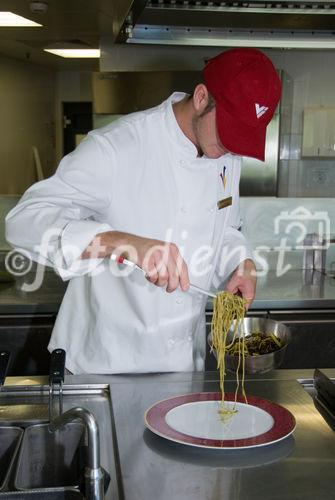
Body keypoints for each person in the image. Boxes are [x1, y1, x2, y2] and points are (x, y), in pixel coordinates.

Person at [6, 48, 281, 374]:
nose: (232, 147)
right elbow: (22, 222)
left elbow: (227, 227)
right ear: (202, 97)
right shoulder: (117, 147)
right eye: (228, 130)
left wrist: (241, 262)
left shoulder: (225, 157)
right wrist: (118, 241)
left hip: (182, 365)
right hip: (105, 365)